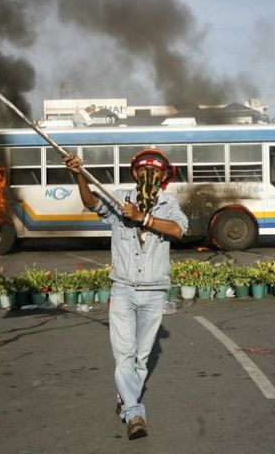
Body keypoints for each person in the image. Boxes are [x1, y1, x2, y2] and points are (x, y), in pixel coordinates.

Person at [64, 148, 188, 440]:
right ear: (135, 174)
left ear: (164, 177)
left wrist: (144, 219)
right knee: (124, 356)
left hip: (154, 292)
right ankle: (134, 413)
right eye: (144, 170)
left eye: (156, 171)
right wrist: (78, 175)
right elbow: (91, 201)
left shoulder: (169, 203)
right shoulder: (119, 198)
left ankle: (125, 397)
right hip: (123, 289)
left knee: (142, 359)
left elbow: (179, 230)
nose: (149, 175)